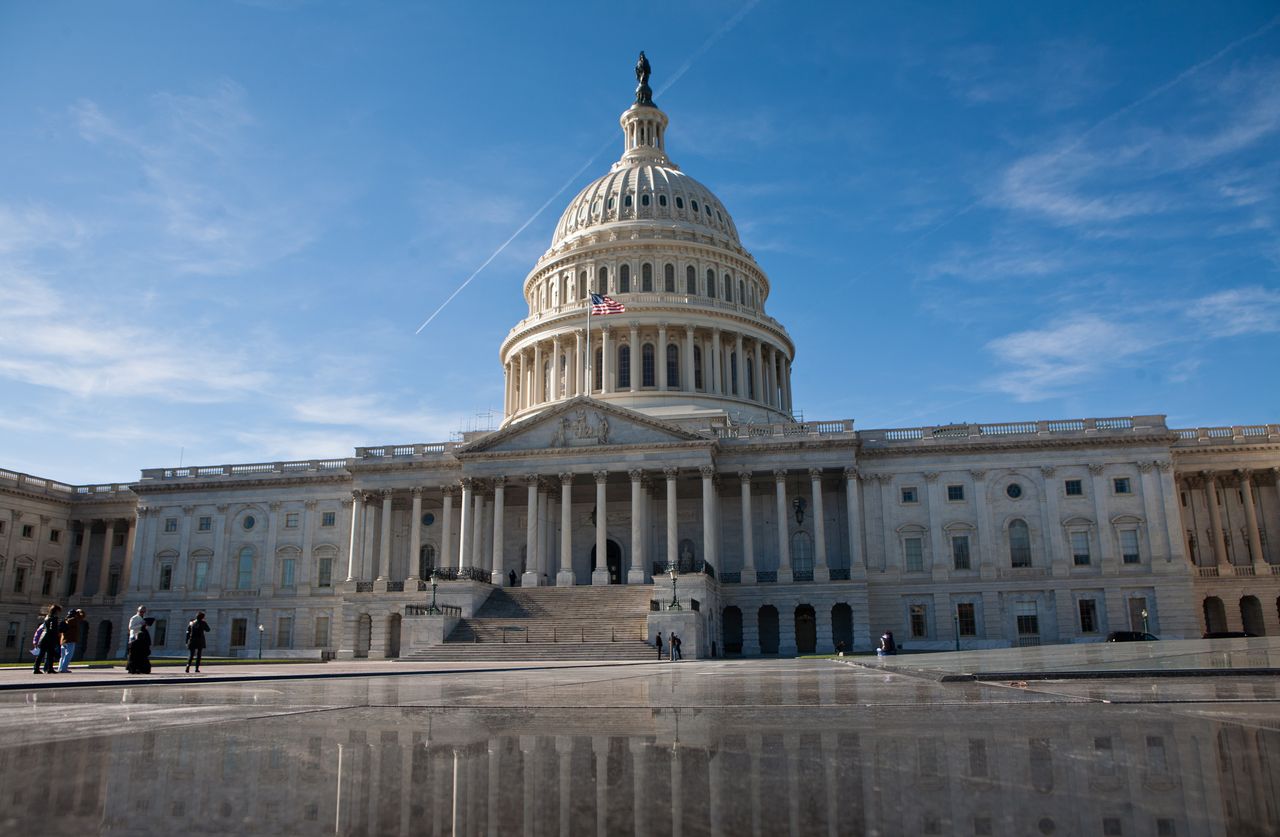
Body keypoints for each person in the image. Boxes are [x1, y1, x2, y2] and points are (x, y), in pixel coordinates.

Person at [33, 605, 62, 674]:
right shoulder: (53, 618)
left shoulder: (47, 617)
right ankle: (43, 668)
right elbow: (52, 629)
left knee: (47, 654)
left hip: (44, 636)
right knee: (46, 654)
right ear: (56, 611)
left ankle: (44, 668)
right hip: (49, 637)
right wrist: (56, 635)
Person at [58, 608, 84, 673]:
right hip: (70, 640)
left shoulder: (66, 620)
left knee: (63, 656)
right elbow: (82, 616)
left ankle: (60, 668)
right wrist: (80, 611)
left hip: (63, 640)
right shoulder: (74, 620)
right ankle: (64, 669)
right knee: (68, 655)